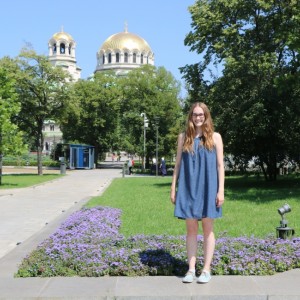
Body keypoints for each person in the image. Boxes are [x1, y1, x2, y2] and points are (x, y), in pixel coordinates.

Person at [170, 102, 224, 284]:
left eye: (201, 114)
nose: (198, 117)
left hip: (209, 187)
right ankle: (191, 270)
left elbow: (219, 166)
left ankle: (206, 269)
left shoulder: (215, 137)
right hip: (188, 187)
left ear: (206, 116)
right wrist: (173, 188)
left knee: (208, 229)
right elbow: (177, 165)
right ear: (190, 117)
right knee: (191, 230)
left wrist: (221, 190)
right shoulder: (183, 137)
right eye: (195, 114)